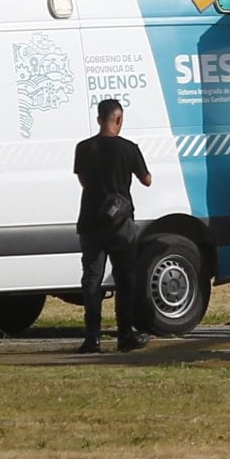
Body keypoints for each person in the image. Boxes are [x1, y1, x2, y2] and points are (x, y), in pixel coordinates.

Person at [72, 98, 153, 354]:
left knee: (92, 280)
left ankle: (92, 337)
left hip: (91, 222)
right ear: (119, 119)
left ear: (99, 118)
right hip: (121, 226)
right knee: (125, 280)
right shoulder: (129, 149)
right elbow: (147, 180)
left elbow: (84, 181)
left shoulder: (83, 148)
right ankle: (125, 334)